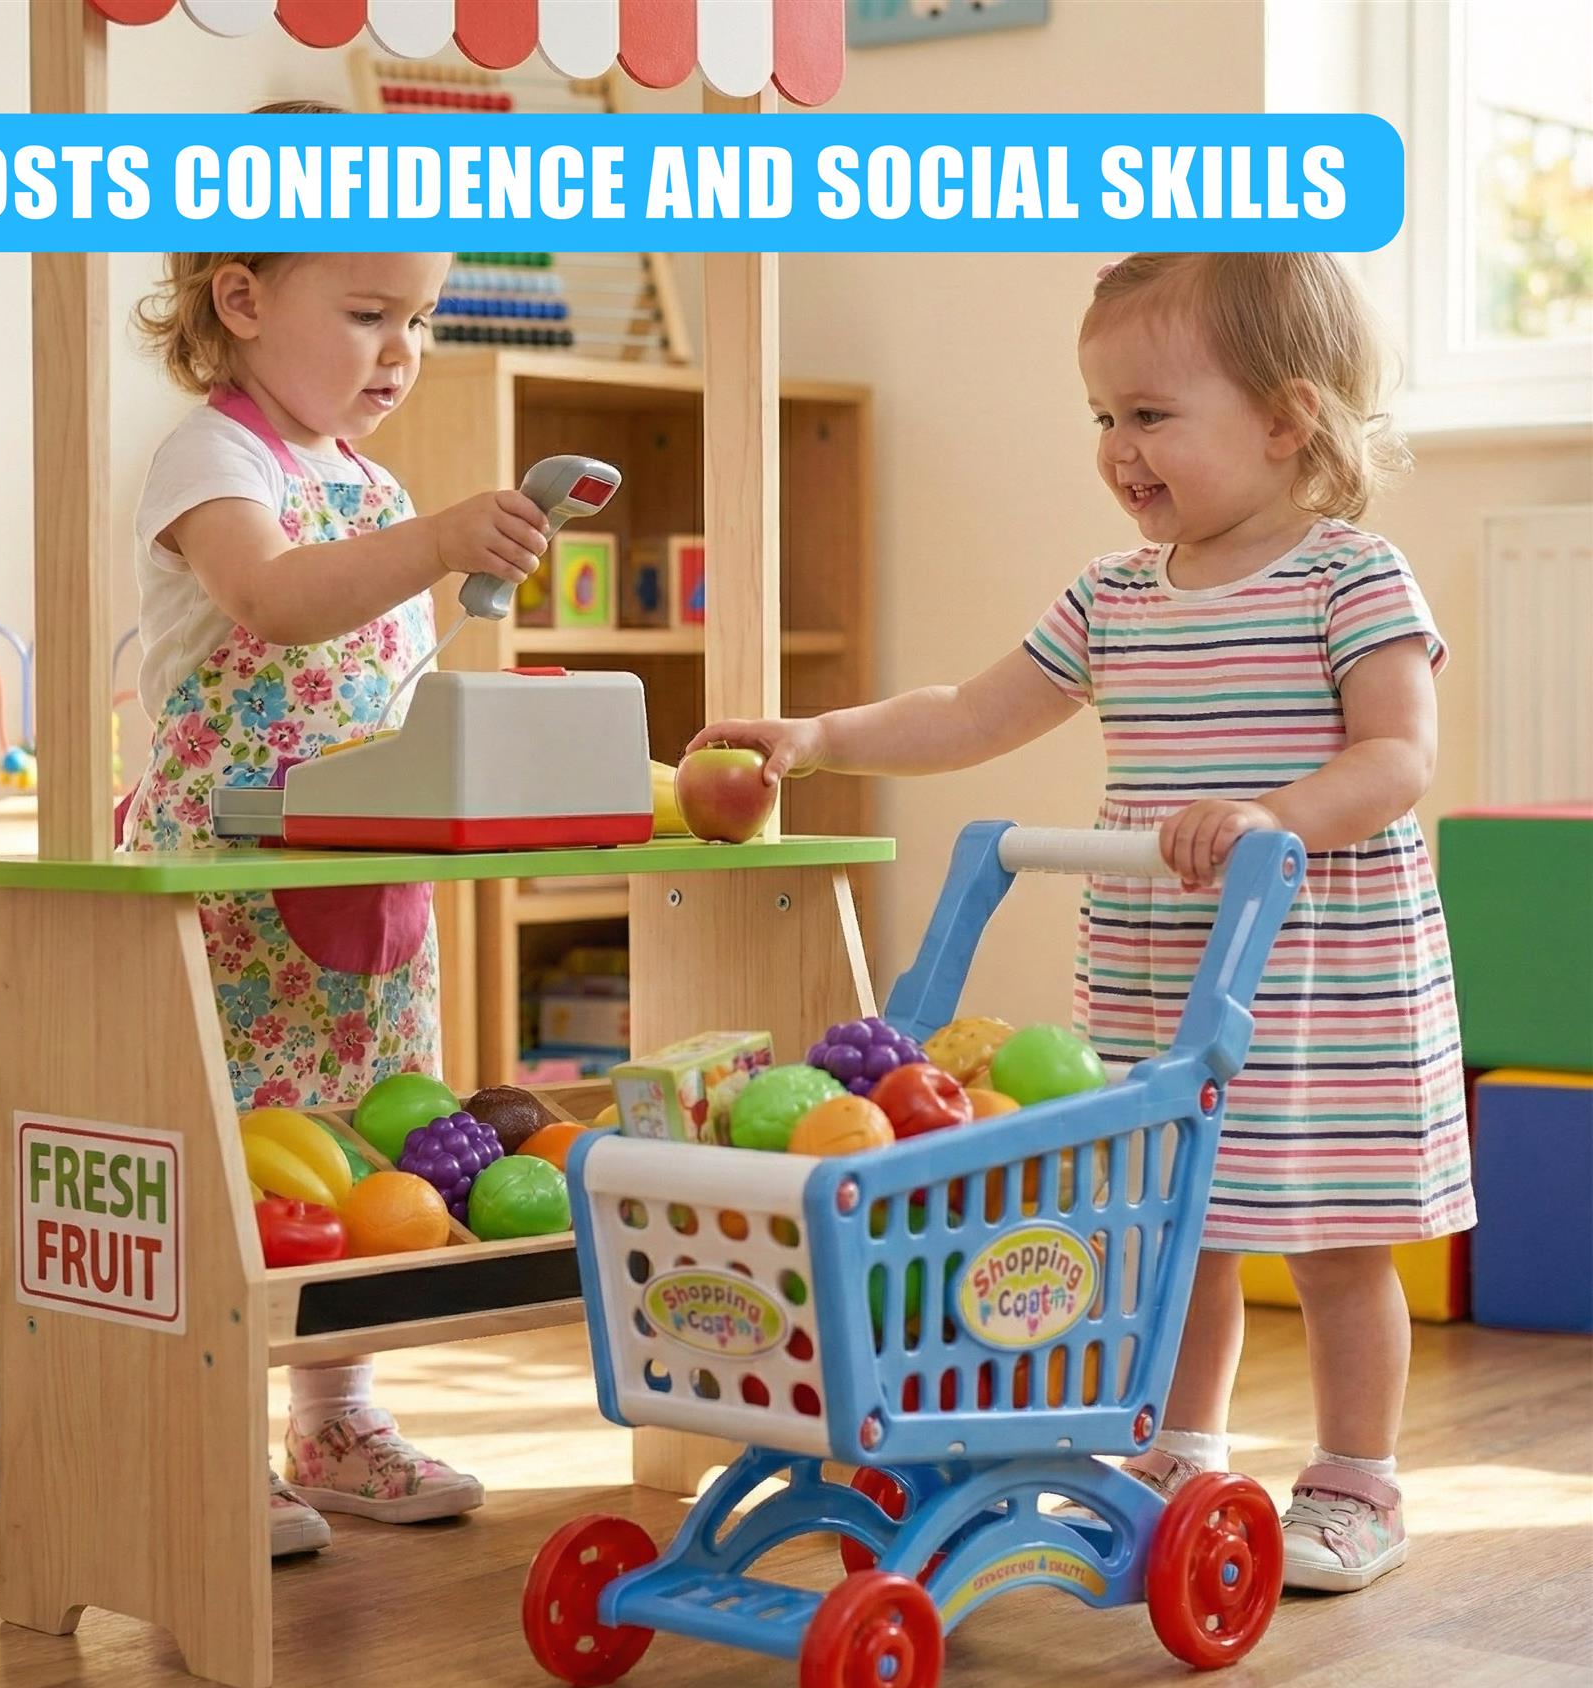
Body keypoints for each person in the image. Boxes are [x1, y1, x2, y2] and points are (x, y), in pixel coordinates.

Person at [692, 253, 1473, 1593]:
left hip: (1319, 961)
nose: (1118, 449)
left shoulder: (1351, 574)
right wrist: (821, 733)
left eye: (1150, 415)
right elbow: (972, 709)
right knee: (1182, 1218)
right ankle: (1179, 1449)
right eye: (1102, 418)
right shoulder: (1114, 595)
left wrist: (1272, 813)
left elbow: (1398, 756)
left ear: (1283, 420)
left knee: (1338, 1233)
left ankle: (1356, 1481)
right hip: (1168, 955)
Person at [127, 231, 548, 1556]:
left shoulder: (371, 482)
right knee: (234, 1156)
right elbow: (275, 597)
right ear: (241, 300)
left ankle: (338, 1418)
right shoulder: (217, 458)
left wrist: (449, 569)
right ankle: (202, 1438)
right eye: (370, 312)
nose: (401, 351)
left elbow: (391, 670)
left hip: (363, 890)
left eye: (418, 320)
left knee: (362, 1146)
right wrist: (433, 540)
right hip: (234, 890)